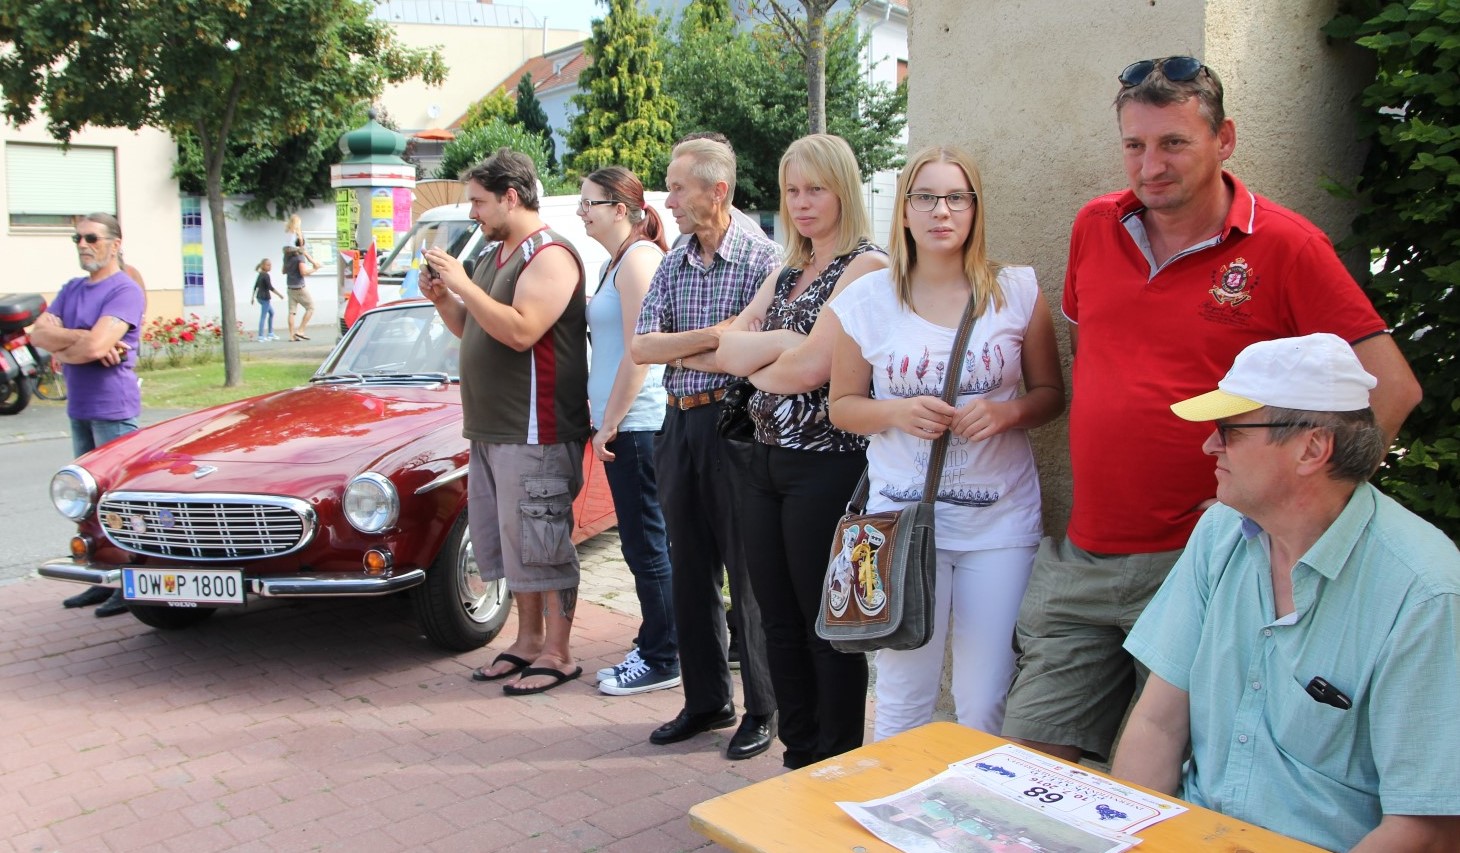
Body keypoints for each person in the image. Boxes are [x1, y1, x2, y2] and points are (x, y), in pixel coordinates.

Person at [1000, 56, 1423, 763]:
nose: (1150, 165)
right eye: (1134, 145)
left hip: (1207, 563)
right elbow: (1098, 354)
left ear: (1224, 139)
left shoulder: (1287, 246)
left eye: (1174, 143)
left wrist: (1291, 518)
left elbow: (1393, 389)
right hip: (1088, 551)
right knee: (1025, 758)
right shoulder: (1094, 226)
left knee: (1169, 771)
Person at [1111, 333, 1460, 852]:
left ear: (1312, 448)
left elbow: (1427, 829)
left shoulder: (1425, 591)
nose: (1209, 445)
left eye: (1228, 430)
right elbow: (1159, 725)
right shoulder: (1221, 530)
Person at [826, 145, 1065, 741]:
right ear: (904, 210)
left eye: (956, 197)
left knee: (985, 701)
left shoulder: (1016, 291)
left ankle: (975, 824)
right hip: (901, 525)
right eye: (926, 197)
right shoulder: (866, 301)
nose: (941, 211)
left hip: (999, 524)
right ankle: (892, 824)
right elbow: (842, 408)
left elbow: (1050, 394)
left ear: (975, 209)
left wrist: (1005, 414)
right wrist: (898, 411)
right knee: (905, 696)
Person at [714, 134, 888, 768]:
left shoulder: (866, 266)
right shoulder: (785, 269)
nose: (803, 202)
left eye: (816, 188)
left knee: (826, 622)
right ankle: (799, 753)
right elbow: (730, 345)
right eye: (792, 191)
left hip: (828, 464)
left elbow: (807, 372)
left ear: (843, 188)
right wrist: (778, 348)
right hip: (762, 460)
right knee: (774, 617)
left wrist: (768, 357)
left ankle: (835, 760)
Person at [630, 137, 781, 760]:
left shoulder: (763, 262)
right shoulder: (672, 262)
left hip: (734, 427)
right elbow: (643, 347)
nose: (668, 201)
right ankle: (706, 702)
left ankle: (763, 708)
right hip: (677, 426)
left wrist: (692, 346)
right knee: (689, 571)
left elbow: (754, 354)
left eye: (678, 188)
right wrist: (711, 339)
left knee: (749, 575)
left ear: (717, 191)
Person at [421, 148, 591, 695]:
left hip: (535, 430)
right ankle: (527, 642)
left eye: (478, 201)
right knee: (515, 546)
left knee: (543, 541)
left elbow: (522, 331)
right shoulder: (497, 254)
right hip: (493, 430)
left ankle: (559, 653)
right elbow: (477, 330)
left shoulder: (550, 255)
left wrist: (462, 283)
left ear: (511, 197)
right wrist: (446, 299)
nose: (473, 213)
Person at [577, 165, 680, 696]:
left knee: (647, 545)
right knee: (643, 543)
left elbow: (640, 354)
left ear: (621, 208)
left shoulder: (638, 261)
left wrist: (611, 422)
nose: (581, 213)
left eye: (589, 203)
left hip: (638, 424)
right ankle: (657, 638)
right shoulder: (619, 262)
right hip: (626, 422)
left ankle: (664, 659)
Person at [31, 213, 147, 618]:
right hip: (79, 406)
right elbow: (37, 335)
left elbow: (99, 346)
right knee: (88, 501)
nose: (83, 244)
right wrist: (80, 340)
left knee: (120, 500)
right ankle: (101, 578)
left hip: (112, 408)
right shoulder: (72, 288)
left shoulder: (124, 290)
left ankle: (130, 581)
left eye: (91, 238)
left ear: (114, 244)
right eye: (77, 238)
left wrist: (77, 343)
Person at [283, 218, 319, 342]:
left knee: (292, 312)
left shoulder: (287, 256)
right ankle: (301, 330)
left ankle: (292, 335)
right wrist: (314, 269)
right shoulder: (299, 257)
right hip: (299, 287)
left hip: (290, 286)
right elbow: (303, 272)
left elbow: (283, 271)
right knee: (310, 307)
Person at [252, 258, 283, 341]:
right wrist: (279, 295)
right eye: (268, 265)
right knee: (263, 316)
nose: (270, 267)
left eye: (270, 265)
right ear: (263, 266)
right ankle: (261, 336)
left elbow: (255, 286)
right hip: (264, 298)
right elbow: (270, 287)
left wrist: (252, 297)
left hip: (260, 297)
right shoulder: (265, 275)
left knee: (272, 313)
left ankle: (270, 333)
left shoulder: (260, 274)